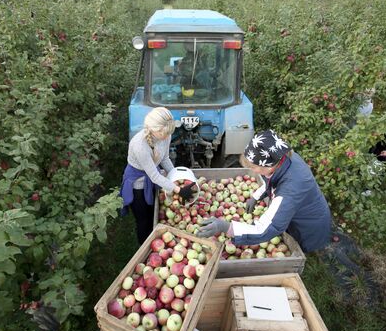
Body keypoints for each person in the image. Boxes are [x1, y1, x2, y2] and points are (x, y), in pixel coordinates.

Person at [197, 130, 331, 253]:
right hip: (298, 209)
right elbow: (273, 181)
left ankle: (309, 255)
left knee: (299, 246)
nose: (253, 171)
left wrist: (225, 226)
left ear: (268, 166)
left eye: (254, 167)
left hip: (308, 225)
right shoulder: (282, 157)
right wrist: (256, 196)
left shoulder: (289, 191)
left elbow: (264, 230)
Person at [120, 107, 195, 244]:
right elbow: (154, 176)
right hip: (138, 183)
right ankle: (144, 248)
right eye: (164, 134)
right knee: (143, 221)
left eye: (169, 133)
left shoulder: (166, 134)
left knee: (153, 213)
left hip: (152, 177)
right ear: (155, 130)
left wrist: (176, 177)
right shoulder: (140, 145)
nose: (167, 137)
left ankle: (154, 242)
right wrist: (178, 190)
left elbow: (165, 158)